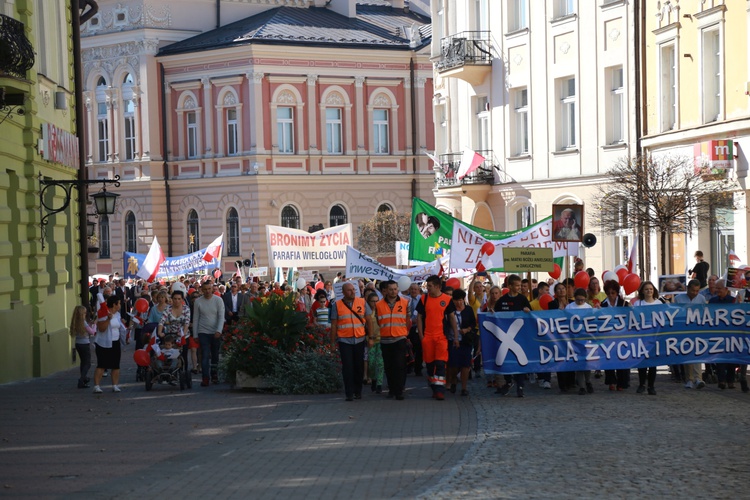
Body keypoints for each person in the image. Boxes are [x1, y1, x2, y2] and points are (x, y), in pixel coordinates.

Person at [417, 275, 459, 401]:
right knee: (430, 365)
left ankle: (440, 391)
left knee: (440, 364)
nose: (427, 288)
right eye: (427, 286)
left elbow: (452, 318)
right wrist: (421, 336)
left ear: (437, 286)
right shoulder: (424, 299)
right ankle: (434, 388)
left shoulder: (446, 299)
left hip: (441, 337)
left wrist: (456, 336)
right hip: (428, 337)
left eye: (429, 286)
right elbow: (419, 317)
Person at [493, 274, 531, 397]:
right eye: (517, 285)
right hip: (505, 336)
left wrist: (527, 311)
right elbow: (496, 315)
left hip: (519, 336)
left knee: (519, 359)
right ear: (510, 286)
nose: (519, 287)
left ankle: (520, 385)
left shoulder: (522, 299)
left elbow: (530, 314)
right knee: (506, 359)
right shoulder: (502, 300)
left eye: (520, 285)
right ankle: (508, 382)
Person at [330, 282, 368, 401]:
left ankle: (358, 391)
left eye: (353, 289)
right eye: (349, 290)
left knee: (359, 366)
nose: (353, 292)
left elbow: (370, 320)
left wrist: (371, 337)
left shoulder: (362, 302)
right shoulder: (337, 305)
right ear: (343, 292)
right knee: (348, 367)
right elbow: (334, 325)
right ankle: (349, 393)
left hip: (359, 339)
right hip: (344, 340)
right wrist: (332, 343)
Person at [375, 280, 410, 400]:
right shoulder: (379, 305)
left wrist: (405, 333)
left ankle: (399, 391)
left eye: (395, 289)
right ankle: (391, 389)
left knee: (399, 365)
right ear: (386, 290)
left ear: (398, 289)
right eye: (391, 289)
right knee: (389, 366)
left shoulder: (405, 303)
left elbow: (407, 320)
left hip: (400, 337)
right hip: (385, 339)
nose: (393, 291)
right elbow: (378, 320)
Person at [630, 281, 663, 395]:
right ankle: (641, 384)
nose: (649, 291)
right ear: (642, 291)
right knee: (642, 362)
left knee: (653, 363)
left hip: (654, 336)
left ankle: (651, 386)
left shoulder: (659, 303)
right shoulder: (638, 304)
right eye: (646, 289)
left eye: (651, 289)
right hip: (642, 337)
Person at [675, 279, 707, 389]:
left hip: (697, 329)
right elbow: (674, 313)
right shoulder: (678, 298)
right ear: (688, 289)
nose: (695, 293)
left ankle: (698, 378)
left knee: (698, 353)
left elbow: (705, 313)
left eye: (697, 291)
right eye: (693, 290)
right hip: (684, 329)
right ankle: (689, 379)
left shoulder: (702, 299)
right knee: (687, 353)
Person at [192, 281, 225, 387]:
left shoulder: (218, 300)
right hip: (203, 332)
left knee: (215, 355)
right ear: (202, 290)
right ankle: (205, 377)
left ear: (212, 289)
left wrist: (219, 330)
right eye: (205, 289)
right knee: (205, 355)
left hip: (215, 332)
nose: (207, 291)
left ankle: (214, 374)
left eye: (209, 289)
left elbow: (221, 316)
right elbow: (196, 318)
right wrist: (195, 334)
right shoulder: (198, 302)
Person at [600, 279, 631, 391]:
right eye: (608, 293)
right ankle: (611, 381)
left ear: (617, 292)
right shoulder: (603, 304)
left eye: (613, 293)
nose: (610, 295)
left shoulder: (624, 304)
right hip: (608, 335)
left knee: (622, 358)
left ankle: (622, 382)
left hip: (622, 335)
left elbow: (630, 319)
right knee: (609, 358)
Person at [93, 295, 126, 393]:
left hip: (115, 342)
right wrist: (108, 319)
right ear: (114, 304)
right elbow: (102, 329)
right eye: (119, 303)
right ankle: (97, 386)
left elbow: (119, 326)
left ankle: (115, 385)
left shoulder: (118, 314)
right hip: (104, 343)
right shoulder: (103, 313)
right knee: (102, 364)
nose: (120, 305)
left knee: (116, 365)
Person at [447, 289, 476, 396]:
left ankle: (464, 388)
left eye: (461, 300)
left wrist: (467, 329)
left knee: (465, 365)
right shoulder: (450, 310)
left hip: (465, 340)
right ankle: (453, 380)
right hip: (452, 340)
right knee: (453, 364)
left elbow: (473, 323)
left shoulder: (468, 310)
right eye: (456, 300)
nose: (459, 303)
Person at [709, 279, 737, 389]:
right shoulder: (712, 301)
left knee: (731, 358)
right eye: (716, 288)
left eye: (719, 288)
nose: (716, 290)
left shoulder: (733, 301)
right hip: (718, 333)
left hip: (731, 333)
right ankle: (721, 381)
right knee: (719, 357)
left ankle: (731, 380)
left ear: (726, 289)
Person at [565, 288, 594, 395]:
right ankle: (582, 386)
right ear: (575, 298)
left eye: (582, 300)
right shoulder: (570, 307)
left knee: (587, 363)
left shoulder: (588, 307)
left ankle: (588, 381)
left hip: (586, 338)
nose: (580, 302)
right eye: (578, 300)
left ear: (585, 299)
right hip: (574, 339)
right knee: (579, 363)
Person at [70, 305, 96, 389]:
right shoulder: (83, 322)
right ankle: (82, 379)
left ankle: (84, 379)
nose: (85, 314)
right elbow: (92, 332)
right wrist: (95, 325)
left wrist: (90, 324)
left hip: (78, 343)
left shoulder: (76, 321)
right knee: (87, 363)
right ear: (81, 314)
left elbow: (85, 329)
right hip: (85, 344)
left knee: (83, 362)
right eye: (84, 313)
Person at [365, 292, 384, 394]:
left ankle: (380, 384)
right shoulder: (367, 312)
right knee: (371, 363)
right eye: (373, 301)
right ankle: (373, 379)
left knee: (380, 363)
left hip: (381, 340)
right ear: (369, 302)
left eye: (377, 301)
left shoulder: (381, 311)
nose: (375, 303)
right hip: (370, 340)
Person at [406, 282, 423, 376]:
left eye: (415, 289)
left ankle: (418, 368)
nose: (413, 291)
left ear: (419, 290)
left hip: (417, 327)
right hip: (408, 327)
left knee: (419, 348)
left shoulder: (422, 299)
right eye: (412, 289)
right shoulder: (406, 299)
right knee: (409, 347)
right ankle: (409, 366)